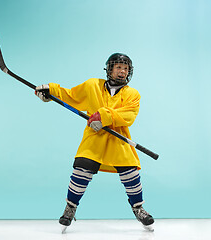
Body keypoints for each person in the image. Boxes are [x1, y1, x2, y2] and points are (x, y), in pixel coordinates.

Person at [35, 53, 154, 231]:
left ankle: (138, 208)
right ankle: (70, 208)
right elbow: (71, 96)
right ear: (109, 69)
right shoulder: (92, 85)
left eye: (125, 68)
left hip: (117, 140)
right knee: (81, 171)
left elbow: (128, 116)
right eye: (118, 67)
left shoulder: (132, 94)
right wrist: (50, 92)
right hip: (94, 138)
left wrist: (104, 116)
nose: (122, 72)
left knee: (131, 174)